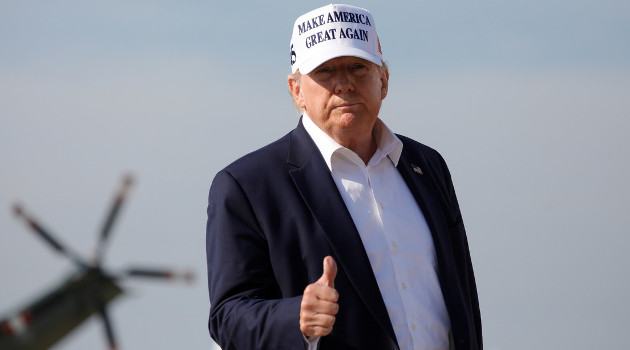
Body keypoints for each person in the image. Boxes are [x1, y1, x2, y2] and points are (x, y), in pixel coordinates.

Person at [206, 4, 481, 350]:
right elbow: (227, 317)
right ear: (296, 91)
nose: (344, 84)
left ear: (383, 80)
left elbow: (462, 297)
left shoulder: (426, 165)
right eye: (325, 72)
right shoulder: (248, 186)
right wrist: (297, 319)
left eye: (357, 67)